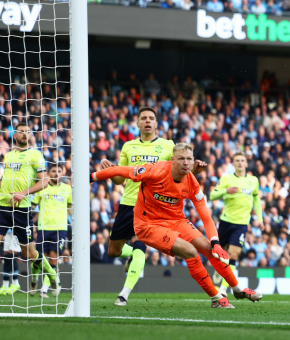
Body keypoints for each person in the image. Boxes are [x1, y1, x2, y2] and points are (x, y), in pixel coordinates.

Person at [90, 143, 262, 308]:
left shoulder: (192, 182)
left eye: (189, 158)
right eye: (181, 159)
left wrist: (216, 242)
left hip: (176, 220)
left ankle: (237, 289)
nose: (185, 162)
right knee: (190, 251)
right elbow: (120, 170)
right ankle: (216, 297)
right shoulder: (154, 170)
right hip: (148, 224)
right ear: (172, 159)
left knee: (209, 249)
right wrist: (92, 177)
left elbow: (206, 217)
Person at [98, 107, 176, 306]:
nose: (148, 121)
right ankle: (132, 255)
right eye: (144, 118)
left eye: (151, 118)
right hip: (128, 203)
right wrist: (110, 170)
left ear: (157, 124)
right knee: (113, 251)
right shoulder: (128, 146)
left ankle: (123, 294)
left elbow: (175, 174)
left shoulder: (168, 146)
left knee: (141, 244)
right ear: (138, 124)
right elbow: (118, 180)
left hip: (152, 205)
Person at [0, 123, 59, 296]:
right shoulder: (8, 156)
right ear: (14, 135)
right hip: (2, 206)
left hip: (21, 210)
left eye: (28, 132)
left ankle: (51, 272)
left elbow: (45, 181)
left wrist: (23, 193)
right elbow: (5, 181)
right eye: (21, 131)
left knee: (29, 253)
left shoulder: (35, 155)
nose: (25, 134)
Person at [209, 152, 263, 296]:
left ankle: (223, 289)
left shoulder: (253, 180)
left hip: (242, 224)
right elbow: (212, 195)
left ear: (246, 163)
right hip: (226, 221)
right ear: (233, 163)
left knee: (233, 255)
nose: (240, 163)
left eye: (242, 160)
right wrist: (225, 191)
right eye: (237, 160)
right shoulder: (226, 179)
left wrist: (260, 219)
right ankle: (218, 270)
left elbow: (256, 199)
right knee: (219, 255)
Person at [32, 163, 72, 298]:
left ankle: (44, 289)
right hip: (43, 227)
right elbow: (33, 206)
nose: (56, 173)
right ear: (49, 173)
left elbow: (71, 207)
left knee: (53, 259)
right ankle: (34, 280)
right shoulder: (41, 188)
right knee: (38, 259)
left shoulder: (67, 189)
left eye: (59, 171)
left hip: (60, 228)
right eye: (54, 171)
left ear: (63, 173)